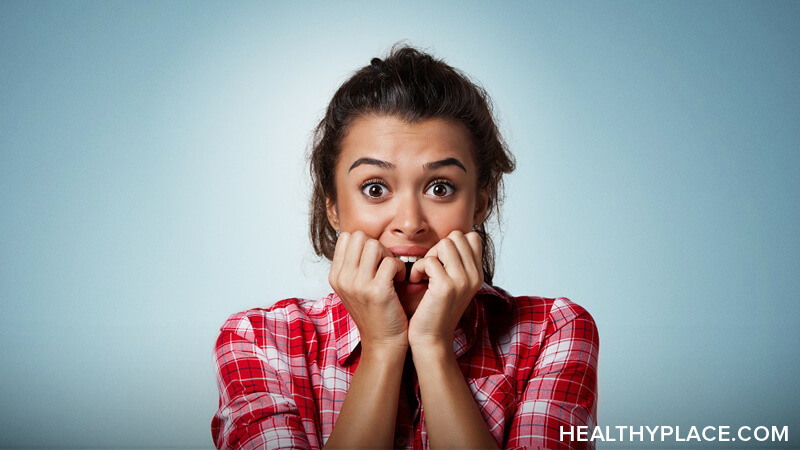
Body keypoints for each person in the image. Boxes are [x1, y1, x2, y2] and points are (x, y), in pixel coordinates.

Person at [211, 45, 599, 449]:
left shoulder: (553, 332)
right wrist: (381, 347)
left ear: (479, 204)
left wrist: (433, 348)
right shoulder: (259, 341)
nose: (411, 224)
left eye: (440, 187)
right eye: (375, 189)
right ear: (334, 209)